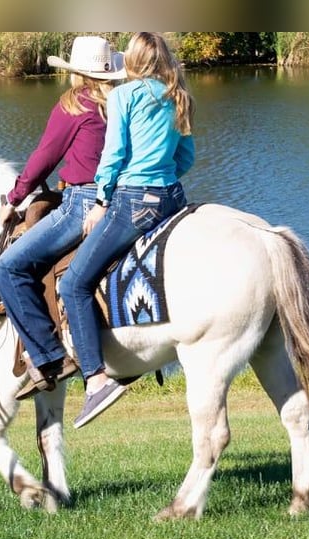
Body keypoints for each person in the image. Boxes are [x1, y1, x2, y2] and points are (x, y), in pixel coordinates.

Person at [59, 32, 196, 429]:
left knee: (73, 284)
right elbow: (186, 156)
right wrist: (163, 176)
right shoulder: (179, 96)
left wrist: (102, 202)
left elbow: (114, 153)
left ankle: (97, 380)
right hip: (173, 196)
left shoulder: (124, 96)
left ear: (131, 62)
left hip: (133, 201)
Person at [0, 36, 126, 401]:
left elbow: (44, 159)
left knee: (8, 269)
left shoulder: (75, 103)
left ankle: (49, 356)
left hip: (82, 202)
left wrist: (15, 199)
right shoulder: (123, 102)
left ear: (74, 72)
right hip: (122, 200)